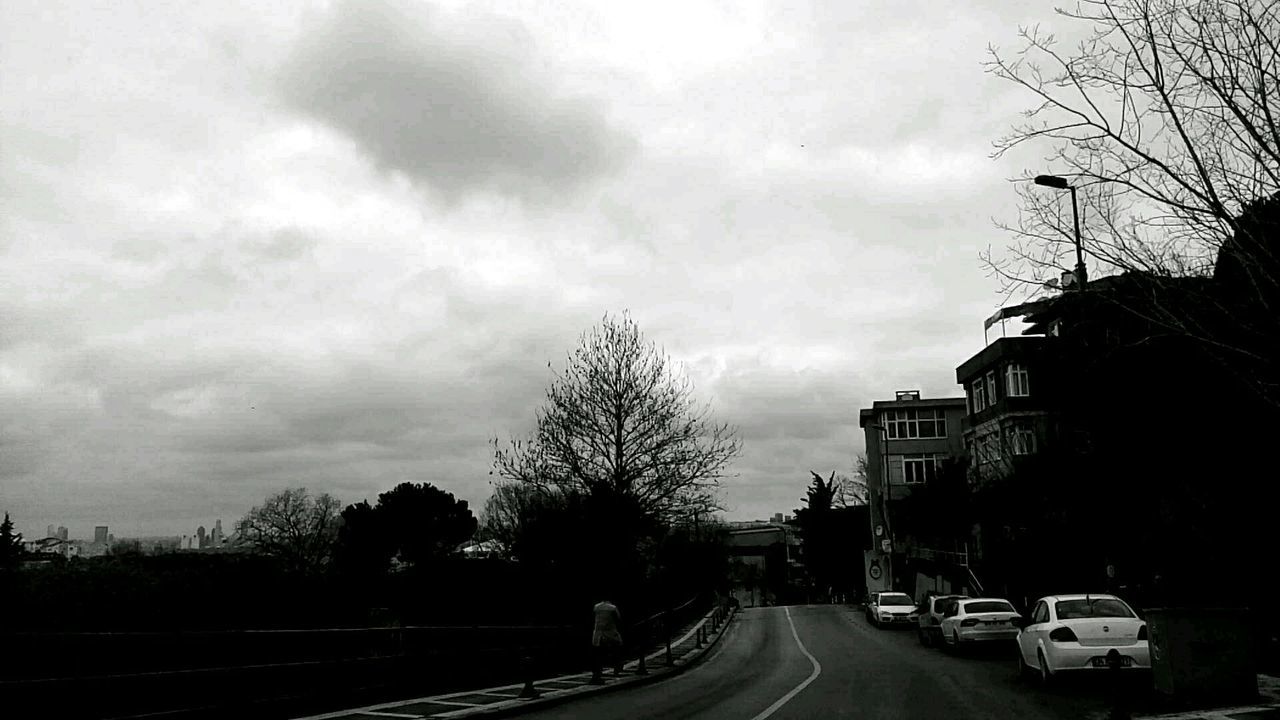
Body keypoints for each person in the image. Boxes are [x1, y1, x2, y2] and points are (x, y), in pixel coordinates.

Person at [591, 598, 624, 682]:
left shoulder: (596, 607)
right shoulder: (612, 608)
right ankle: (617, 668)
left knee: (598, 653)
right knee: (617, 649)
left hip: (598, 634)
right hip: (610, 632)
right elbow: (618, 619)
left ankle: (598, 672)